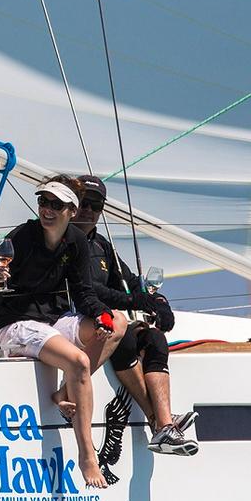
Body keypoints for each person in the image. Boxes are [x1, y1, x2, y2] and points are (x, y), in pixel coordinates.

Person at [0, 177, 125, 489]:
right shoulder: (20, 237)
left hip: (52, 321)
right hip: (15, 324)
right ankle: (88, 455)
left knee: (118, 324)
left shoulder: (75, 241)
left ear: (71, 211)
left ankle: (65, 392)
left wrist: (99, 314)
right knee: (78, 361)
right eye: (43, 202)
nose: (47, 209)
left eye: (56, 204)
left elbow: (84, 292)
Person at [73, 175, 198, 456]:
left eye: (96, 205)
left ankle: (164, 424)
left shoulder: (102, 246)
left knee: (154, 339)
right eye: (84, 203)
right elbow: (88, 289)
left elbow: (129, 282)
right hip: (76, 321)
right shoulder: (65, 241)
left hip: (107, 322)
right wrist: (134, 299)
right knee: (126, 339)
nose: (89, 211)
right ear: (71, 205)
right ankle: (157, 422)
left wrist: (158, 302)